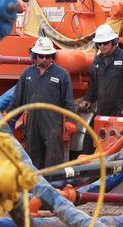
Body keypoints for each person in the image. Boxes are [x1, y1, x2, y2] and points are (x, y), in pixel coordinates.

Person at [7, 37, 76, 169]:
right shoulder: (27, 74)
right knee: (33, 155)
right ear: (35, 56)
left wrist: (70, 121)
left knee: (53, 156)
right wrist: (9, 114)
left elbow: (68, 101)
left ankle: (54, 181)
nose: (44, 59)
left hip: (52, 122)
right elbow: (17, 99)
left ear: (52, 56)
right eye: (41, 56)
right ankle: (35, 180)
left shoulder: (61, 74)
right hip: (32, 121)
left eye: (47, 56)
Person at [76, 23, 123, 121]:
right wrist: (88, 99)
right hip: (102, 111)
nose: (102, 46)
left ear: (113, 42)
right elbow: (93, 84)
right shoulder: (97, 60)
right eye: (99, 44)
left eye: (105, 43)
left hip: (121, 112)